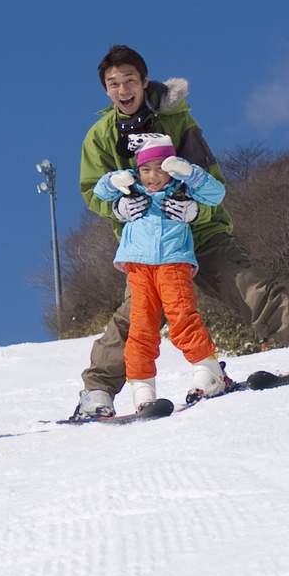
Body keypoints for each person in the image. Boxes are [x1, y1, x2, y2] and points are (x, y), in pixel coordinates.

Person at [75, 45, 289, 418]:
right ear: (106, 89)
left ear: (144, 79)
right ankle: (97, 393)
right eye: (114, 84)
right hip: (152, 246)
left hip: (198, 232)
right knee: (136, 318)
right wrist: (117, 206)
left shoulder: (177, 121)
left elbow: (212, 181)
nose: (123, 90)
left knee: (244, 283)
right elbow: (92, 189)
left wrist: (194, 210)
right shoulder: (101, 137)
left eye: (130, 81)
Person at [92, 134, 226, 410]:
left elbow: (217, 194)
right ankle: (142, 388)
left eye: (160, 168)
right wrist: (114, 182)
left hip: (173, 263)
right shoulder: (131, 189)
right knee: (140, 327)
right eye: (145, 169)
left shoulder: (181, 188)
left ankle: (208, 371)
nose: (153, 177)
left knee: (181, 317)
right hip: (139, 268)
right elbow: (99, 193)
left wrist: (190, 173)